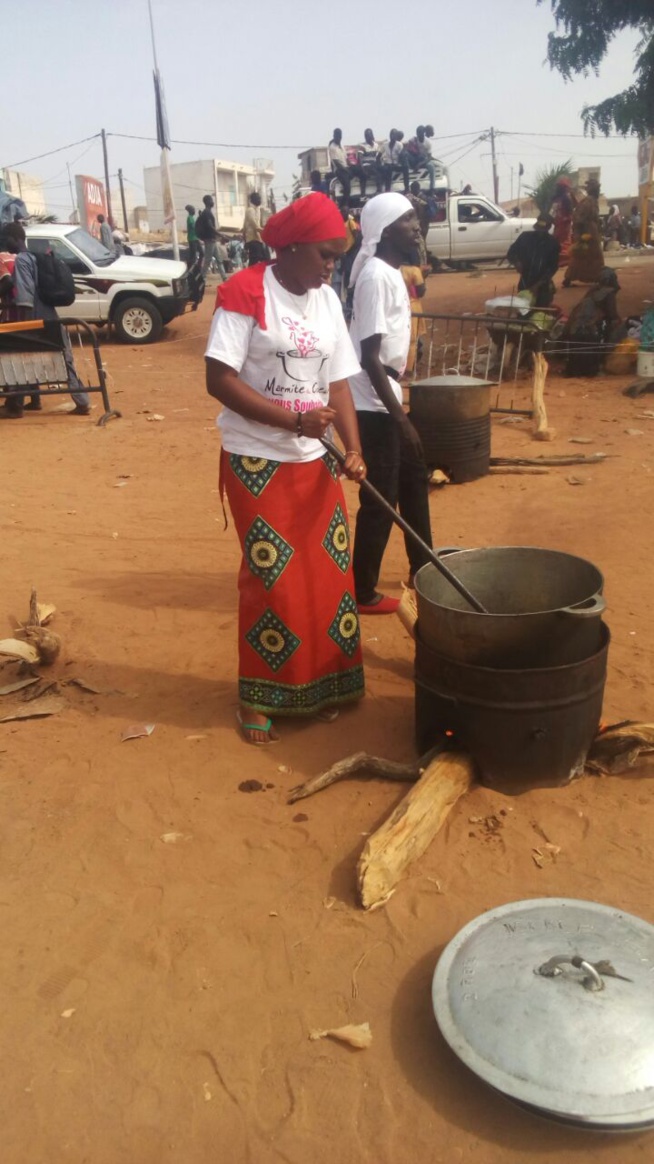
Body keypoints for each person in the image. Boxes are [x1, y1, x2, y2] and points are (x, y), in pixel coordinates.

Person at [204, 193, 367, 745]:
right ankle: (260, 697)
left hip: (316, 459)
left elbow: (339, 382)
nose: (331, 266)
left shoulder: (326, 302)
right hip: (257, 458)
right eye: (325, 254)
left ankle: (321, 687)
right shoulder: (245, 292)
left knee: (328, 575)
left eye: (337, 256)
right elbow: (219, 379)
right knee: (275, 580)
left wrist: (354, 448)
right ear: (292, 247)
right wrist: (293, 421)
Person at [348, 193, 433, 614]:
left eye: (416, 218)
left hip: (387, 392)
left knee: (415, 481)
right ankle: (361, 591)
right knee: (381, 497)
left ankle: (425, 566)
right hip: (372, 398)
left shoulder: (391, 273)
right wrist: (400, 420)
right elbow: (369, 356)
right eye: (407, 219)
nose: (416, 226)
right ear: (383, 231)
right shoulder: (376, 277)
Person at [0, 222, 91, 418]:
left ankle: (15, 406)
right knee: (64, 359)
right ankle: (82, 401)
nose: (5, 242)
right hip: (50, 315)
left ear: (17, 238)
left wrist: (19, 324)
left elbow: (24, 299)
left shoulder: (23, 261)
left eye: (7, 238)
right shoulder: (36, 258)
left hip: (33, 319)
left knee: (21, 358)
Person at [562, 267, 622, 377]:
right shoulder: (609, 293)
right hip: (591, 329)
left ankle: (575, 370)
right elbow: (612, 315)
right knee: (614, 330)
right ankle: (597, 366)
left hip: (576, 327)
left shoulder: (592, 291)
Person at [506, 215, 561, 307]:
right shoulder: (524, 237)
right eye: (538, 229)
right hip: (525, 281)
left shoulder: (553, 243)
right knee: (523, 310)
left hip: (543, 286)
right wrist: (516, 262)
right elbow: (511, 253)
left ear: (548, 228)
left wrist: (537, 285)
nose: (540, 232)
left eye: (542, 230)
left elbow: (553, 267)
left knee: (541, 313)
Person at [563, 178, 604, 287]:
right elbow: (578, 218)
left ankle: (596, 278)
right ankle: (569, 278)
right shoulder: (588, 202)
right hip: (587, 233)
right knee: (586, 256)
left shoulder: (591, 201)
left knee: (586, 256)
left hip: (591, 232)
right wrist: (581, 234)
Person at [401, 259, 427, 373]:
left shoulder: (394, 268)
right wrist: (423, 274)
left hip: (397, 306)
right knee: (412, 340)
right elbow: (420, 292)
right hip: (412, 306)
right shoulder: (414, 270)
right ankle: (408, 369)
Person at [550, 177, 576, 268]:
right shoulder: (555, 198)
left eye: (559, 186)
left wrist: (565, 220)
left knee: (564, 243)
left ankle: (565, 261)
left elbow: (570, 212)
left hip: (564, 224)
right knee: (557, 241)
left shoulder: (566, 198)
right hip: (557, 224)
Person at [197, 195, 225, 279]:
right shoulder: (207, 213)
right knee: (207, 260)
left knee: (219, 259)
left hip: (212, 240)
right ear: (208, 201)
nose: (213, 202)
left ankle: (224, 277)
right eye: (211, 200)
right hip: (209, 240)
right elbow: (210, 226)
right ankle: (202, 278)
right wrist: (221, 235)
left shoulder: (207, 212)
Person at [406, 126, 437, 192]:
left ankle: (432, 188)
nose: (419, 134)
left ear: (424, 133)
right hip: (415, 159)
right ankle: (407, 186)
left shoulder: (428, 142)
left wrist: (420, 164)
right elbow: (408, 149)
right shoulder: (413, 140)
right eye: (418, 133)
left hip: (424, 160)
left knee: (431, 167)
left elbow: (429, 157)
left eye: (420, 133)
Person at [380, 130, 410, 194]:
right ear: (389, 135)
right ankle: (387, 190)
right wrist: (379, 163)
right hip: (388, 164)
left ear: (396, 136)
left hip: (397, 164)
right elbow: (379, 154)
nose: (392, 136)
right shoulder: (385, 144)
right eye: (391, 135)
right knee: (387, 169)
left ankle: (407, 188)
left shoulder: (399, 145)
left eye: (394, 135)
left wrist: (399, 163)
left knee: (405, 168)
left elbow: (401, 156)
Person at [408, 181, 430, 266]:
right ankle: (422, 264)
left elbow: (421, 214)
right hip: (422, 226)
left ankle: (422, 265)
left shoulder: (418, 199)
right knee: (421, 247)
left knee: (420, 247)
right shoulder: (422, 199)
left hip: (421, 227)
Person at [243, 192, 267, 266]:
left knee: (263, 258)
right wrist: (265, 232)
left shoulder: (257, 210)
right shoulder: (250, 210)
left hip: (258, 239)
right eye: (258, 198)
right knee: (254, 260)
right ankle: (250, 275)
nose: (260, 200)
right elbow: (255, 226)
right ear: (253, 200)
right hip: (252, 239)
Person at [357, 129, 383, 196]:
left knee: (383, 169)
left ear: (372, 135)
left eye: (368, 135)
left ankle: (383, 189)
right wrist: (362, 169)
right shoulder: (362, 146)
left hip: (374, 164)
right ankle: (378, 190)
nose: (367, 137)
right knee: (374, 171)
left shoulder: (376, 145)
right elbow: (360, 158)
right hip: (366, 165)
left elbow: (378, 157)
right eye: (366, 135)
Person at [328, 128, 352, 199]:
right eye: (337, 136)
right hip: (339, 170)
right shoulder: (332, 147)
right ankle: (345, 204)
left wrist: (351, 165)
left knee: (358, 170)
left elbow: (346, 158)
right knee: (347, 185)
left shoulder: (342, 145)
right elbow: (336, 163)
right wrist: (346, 170)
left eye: (340, 136)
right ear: (334, 136)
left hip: (346, 167)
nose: (339, 138)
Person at [185, 204, 204, 268]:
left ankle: (198, 266)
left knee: (202, 253)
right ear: (190, 211)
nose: (194, 211)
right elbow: (194, 227)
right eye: (193, 210)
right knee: (193, 256)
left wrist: (199, 217)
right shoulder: (189, 218)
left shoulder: (192, 218)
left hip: (195, 238)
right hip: (192, 239)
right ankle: (190, 268)